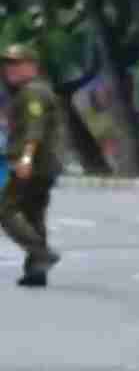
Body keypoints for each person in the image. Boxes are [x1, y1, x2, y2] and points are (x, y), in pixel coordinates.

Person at [1, 43, 65, 288]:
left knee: (5, 209)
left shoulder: (32, 92)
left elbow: (34, 127)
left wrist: (26, 158)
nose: (10, 69)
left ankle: (42, 253)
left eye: (17, 64)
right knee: (33, 213)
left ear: (32, 67)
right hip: (46, 164)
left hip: (34, 163)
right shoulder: (34, 90)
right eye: (8, 64)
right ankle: (37, 271)